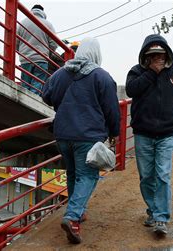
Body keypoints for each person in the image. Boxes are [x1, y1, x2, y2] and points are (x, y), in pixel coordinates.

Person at [42, 37, 120, 244]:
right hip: (88, 135)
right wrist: (114, 131)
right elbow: (112, 109)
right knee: (89, 175)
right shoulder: (101, 76)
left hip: (62, 134)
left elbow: (46, 95)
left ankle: (79, 210)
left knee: (73, 173)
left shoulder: (60, 74)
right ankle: (73, 217)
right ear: (96, 53)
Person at [125, 34, 173, 235]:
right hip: (143, 132)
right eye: (153, 55)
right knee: (146, 176)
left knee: (162, 174)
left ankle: (161, 217)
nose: (158, 58)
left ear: (167, 53)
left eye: (161, 54)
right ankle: (153, 211)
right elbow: (131, 90)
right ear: (146, 55)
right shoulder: (137, 72)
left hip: (167, 133)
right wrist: (151, 73)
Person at [16, 4, 57, 95]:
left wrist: (21, 52)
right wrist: (48, 53)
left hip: (25, 58)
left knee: (25, 83)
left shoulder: (22, 23)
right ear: (43, 12)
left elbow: (15, 42)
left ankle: (24, 100)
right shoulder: (47, 24)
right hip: (41, 58)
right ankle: (33, 101)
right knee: (37, 84)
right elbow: (54, 43)